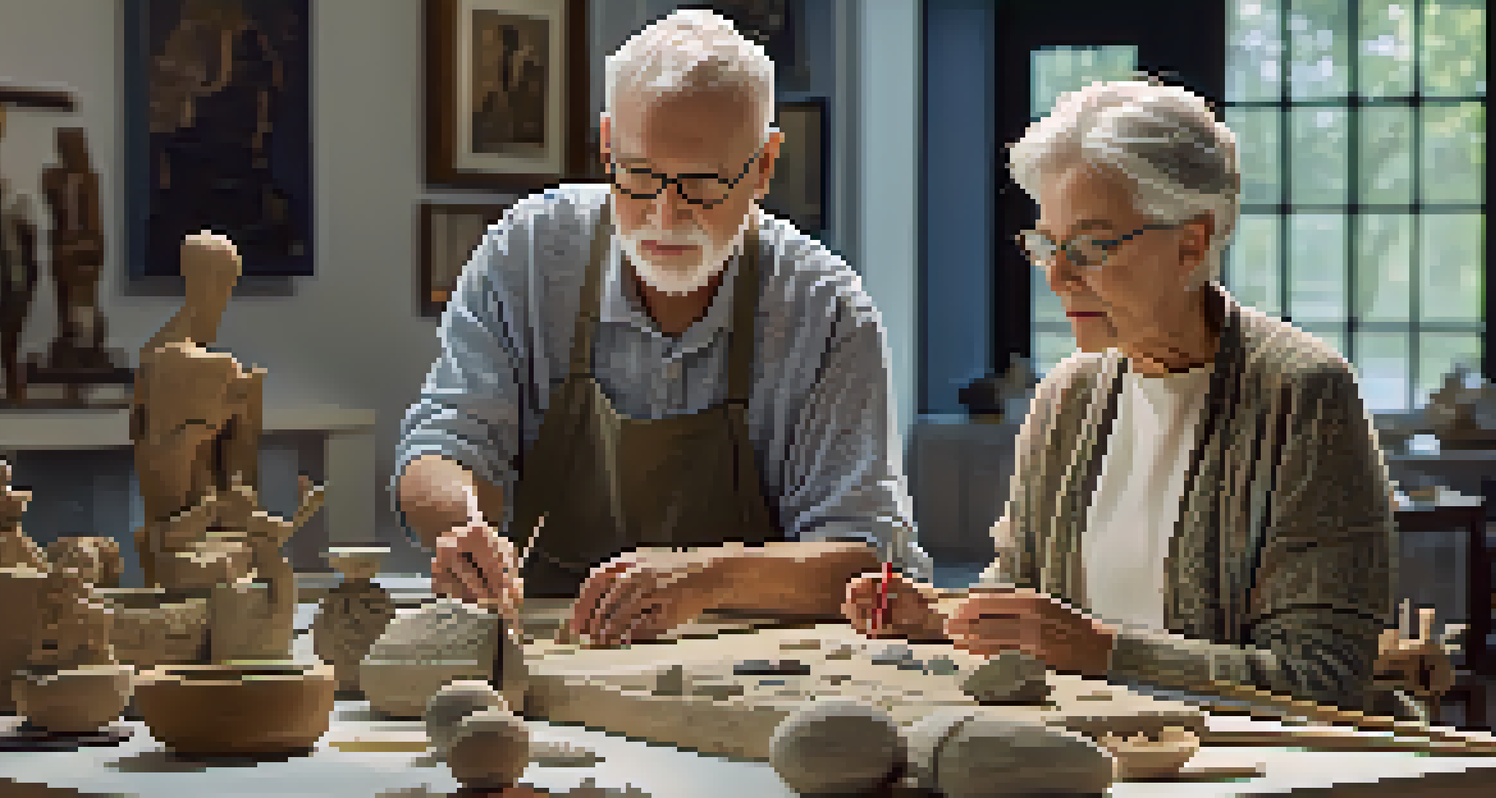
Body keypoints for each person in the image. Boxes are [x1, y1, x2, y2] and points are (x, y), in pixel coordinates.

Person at [843, 79, 1410, 718]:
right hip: (1076, 755)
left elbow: (1323, 675)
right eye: (1048, 246)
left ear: (1192, 243)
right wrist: (942, 617)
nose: (1058, 275)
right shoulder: (1068, 398)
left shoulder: (1303, 395)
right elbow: (1015, 594)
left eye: (1089, 246)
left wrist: (1103, 651)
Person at [395, 9, 932, 647]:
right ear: (606, 144)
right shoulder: (530, 255)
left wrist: (705, 577)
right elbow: (442, 444)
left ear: (763, 166)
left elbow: (864, 557)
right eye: (640, 176)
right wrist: (463, 524)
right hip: (543, 650)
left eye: (702, 184)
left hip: (746, 666)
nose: (665, 214)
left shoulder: (825, 311)